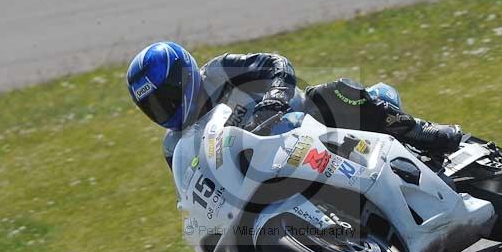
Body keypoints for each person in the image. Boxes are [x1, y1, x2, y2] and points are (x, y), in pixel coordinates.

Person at [126, 41, 462, 168]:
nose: (164, 109)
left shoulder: (219, 71)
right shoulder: (174, 147)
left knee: (333, 93)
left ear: (184, 76)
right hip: (267, 171)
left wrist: (274, 98)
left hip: (311, 126)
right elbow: (193, 191)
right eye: (153, 106)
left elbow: (276, 63)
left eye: (166, 98)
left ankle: (418, 131)